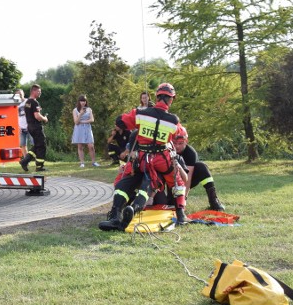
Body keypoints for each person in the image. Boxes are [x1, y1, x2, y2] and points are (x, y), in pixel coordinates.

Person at [99, 82, 188, 230]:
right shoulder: (173, 120)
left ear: (157, 96)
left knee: (125, 180)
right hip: (161, 158)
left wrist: (136, 113)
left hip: (141, 158)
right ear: (171, 99)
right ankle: (181, 214)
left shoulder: (141, 113)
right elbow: (179, 134)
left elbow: (120, 121)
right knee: (176, 181)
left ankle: (115, 216)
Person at [172, 126, 225, 211]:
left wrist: (183, 199)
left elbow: (187, 178)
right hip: (170, 181)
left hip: (184, 179)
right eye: (174, 143)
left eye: (180, 143)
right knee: (166, 203)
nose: (177, 146)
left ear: (186, 142)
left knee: (201, 166)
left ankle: (214, 201)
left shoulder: (190, 153)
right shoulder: (166, 150)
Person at [19, 84, 49, 172]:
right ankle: (39, 167)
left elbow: (30, 114)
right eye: (39, 91)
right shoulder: (35, 102)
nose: (40, 93)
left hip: (30, 127)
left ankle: (25, 161)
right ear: (34, 91)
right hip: (36, 126)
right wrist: (45, 119)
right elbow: (37, 116)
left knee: (37, 145)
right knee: (42, 146)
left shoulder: (27, 102)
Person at [72, 95, 99, 168]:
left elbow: (92, 119)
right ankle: (82, 162)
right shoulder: (75, 110)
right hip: (79, 129)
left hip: (87, 128)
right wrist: (80, 114)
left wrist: (83, 122)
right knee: (80, 146)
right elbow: (76, 122)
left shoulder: (89, 109)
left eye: (84, 101)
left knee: (91, 146)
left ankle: (93, 162)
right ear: (79, 102)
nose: (83, 102)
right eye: (81, 101)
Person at [15, 89, 32, 159]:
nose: (20, 95)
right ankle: (26, 159)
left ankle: (37, 158)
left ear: (23, 94)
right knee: (23, 145)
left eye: (21, 93)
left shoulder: (27, 102)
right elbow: (14, 116)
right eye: (18, 94)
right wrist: (18, 127)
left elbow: (31, 113)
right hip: (21, 128)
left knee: (34, 143)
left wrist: (30, 124)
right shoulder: (15, 104)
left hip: (29, 126)